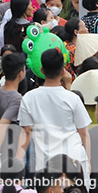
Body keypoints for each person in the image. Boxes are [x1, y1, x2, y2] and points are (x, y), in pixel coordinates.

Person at [18, 50, 91, 181]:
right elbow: (84, 133)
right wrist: (90, 162)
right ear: (63, 71)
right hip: (75, 162)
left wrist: (17, 164)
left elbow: (26, 134)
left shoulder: (28, 98)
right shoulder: (73, 98)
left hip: (46, 166)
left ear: (42, 70)